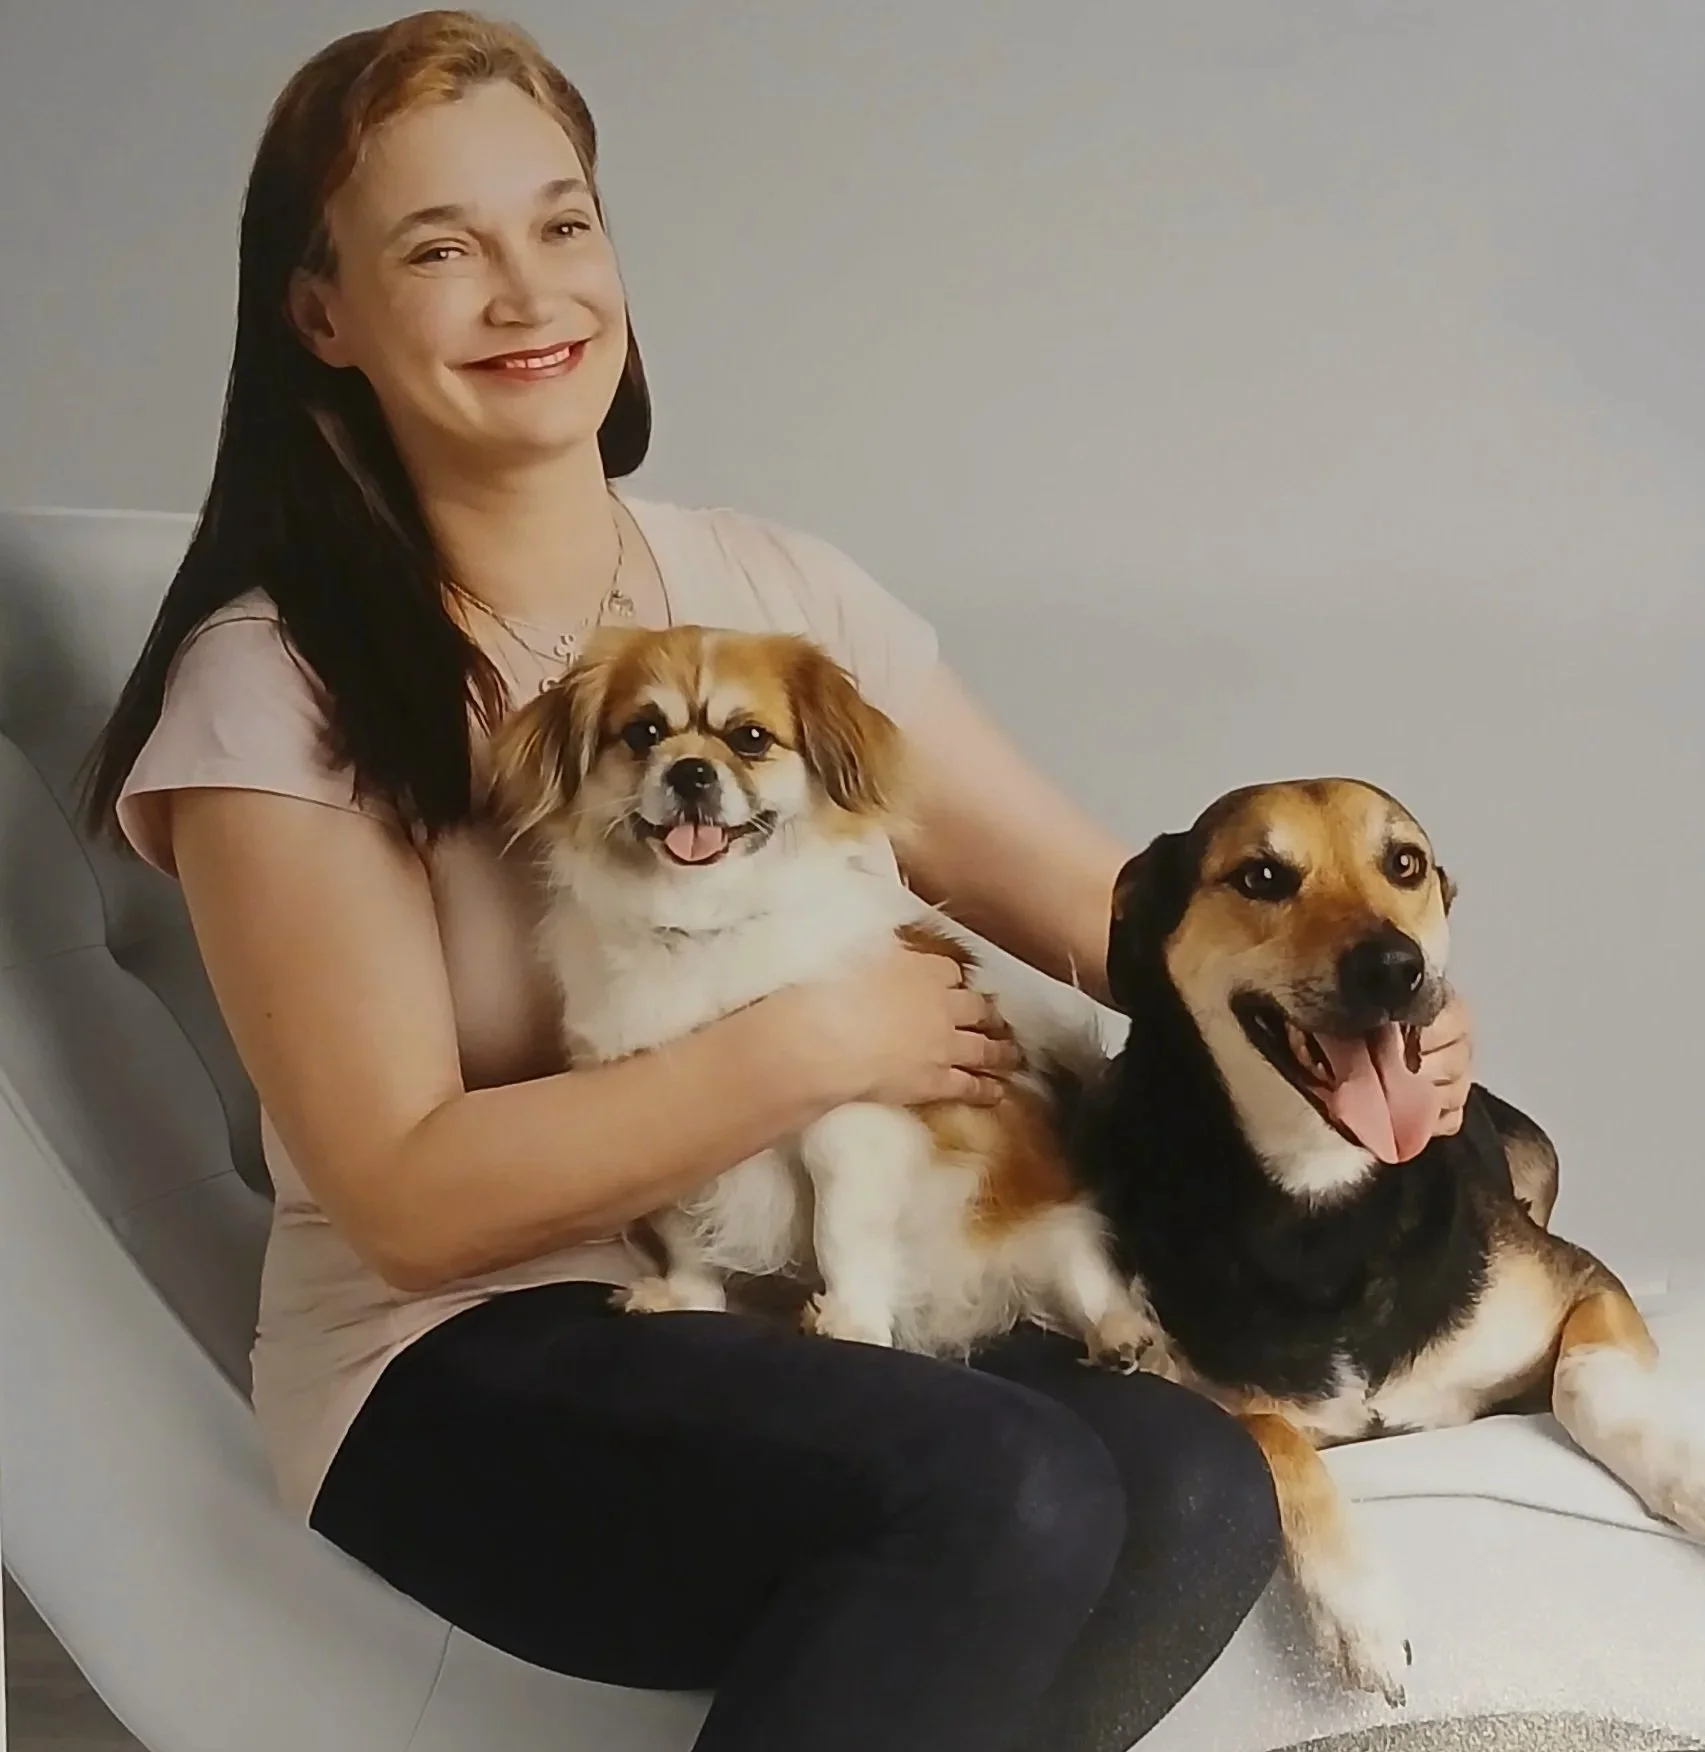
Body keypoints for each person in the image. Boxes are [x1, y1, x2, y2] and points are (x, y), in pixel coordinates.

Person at [82, 12, 1476, 1752]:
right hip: (459, 1363)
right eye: (440, 250)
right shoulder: (277, 682)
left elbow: (1104, 906)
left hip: (796, 1282)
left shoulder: (775, 590)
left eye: (561, 224)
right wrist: (822, 1045)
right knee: (1009, 1489)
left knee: (1194, 1476)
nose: (529, 296)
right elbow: (406, 1199)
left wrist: (1349, 985)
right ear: (321, 315)